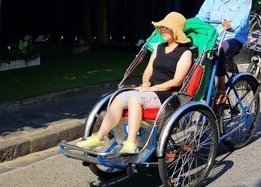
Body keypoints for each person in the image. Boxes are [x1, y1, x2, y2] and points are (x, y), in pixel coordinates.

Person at [75, 12, 193, 155]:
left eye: (166, 28)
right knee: (118, 98)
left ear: (176, 30)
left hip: (166, 95)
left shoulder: (185, 53)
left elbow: (177, 81)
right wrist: (145, 83)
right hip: (149, 90)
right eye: (161, 28)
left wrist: (155, 88)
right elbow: (148, 71)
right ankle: (99, 137)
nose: (162, 30)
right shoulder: (159, 48)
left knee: (134, 99)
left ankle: (130, 143)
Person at [197, 0, 253, 100]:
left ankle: (221, 88)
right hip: (213, 37)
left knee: (220, 50)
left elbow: (242, 20)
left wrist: (232, 24)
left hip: (234, 37)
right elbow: (202, 16)